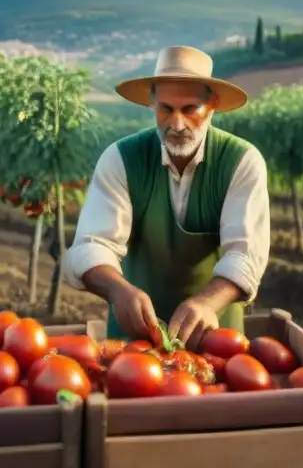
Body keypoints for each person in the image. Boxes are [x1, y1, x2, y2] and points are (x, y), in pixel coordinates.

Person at [62, 45, 270, 348]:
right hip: (136, 345)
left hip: (216, 343)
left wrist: (208, 303)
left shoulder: (241, 161)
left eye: (189, 110)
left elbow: (246, 255)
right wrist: (119, 290)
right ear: (152, 104)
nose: (177, 124)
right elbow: (91, 245)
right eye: (166, 109)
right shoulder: (121, 158)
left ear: (211, 105)